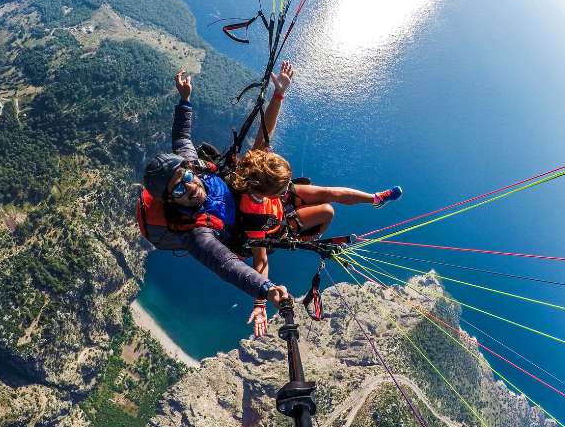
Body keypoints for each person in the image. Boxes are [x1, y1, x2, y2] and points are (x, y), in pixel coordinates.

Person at [227, 62, 402, 335]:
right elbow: (260, 262)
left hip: (276, 205)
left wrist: (279, 94)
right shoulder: (254, 217)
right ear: (267, 190)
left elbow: (265, 130)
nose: (289, 186)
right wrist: (260, 300)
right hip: (277, 222)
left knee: (328, 194)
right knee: (327, 213)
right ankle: (301, 237)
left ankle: (375, 198)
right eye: (283, 185)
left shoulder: (253, 165)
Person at [138, 66, 292, 323]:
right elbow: (227, 266)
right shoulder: (197, 234)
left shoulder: (193, 166)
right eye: (178, 188)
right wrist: (267, 290)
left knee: (258, 156)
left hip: (232, 196)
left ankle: (279, 94)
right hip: (240, 227)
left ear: (189, 170)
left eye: (186, 178)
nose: (188, 185)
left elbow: (181, 138)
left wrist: (184, 99)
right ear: (169, 200)